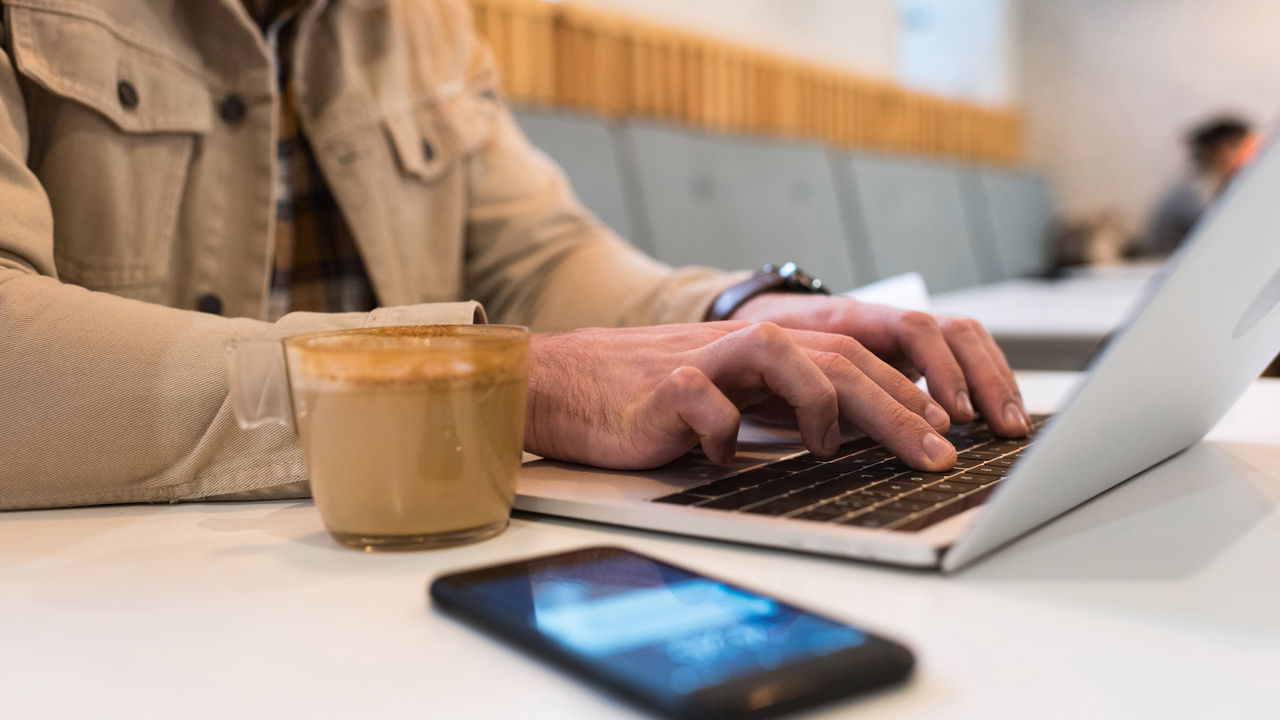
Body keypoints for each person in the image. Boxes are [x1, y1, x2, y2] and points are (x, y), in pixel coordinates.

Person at [0, 0, 1027, 510]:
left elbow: (536, 256)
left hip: (396, 552)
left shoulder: (418, 19)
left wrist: (738, 315)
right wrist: (484, 381)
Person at [1144, 115, 1252, 256]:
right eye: (1241, 148)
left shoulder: (1201, 183)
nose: (1248, 157)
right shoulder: (1192, 192)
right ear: (1220, 150)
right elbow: (1222, 235)